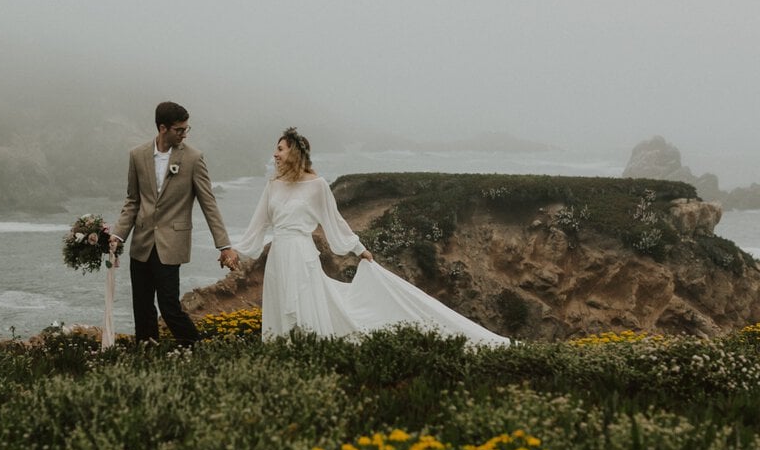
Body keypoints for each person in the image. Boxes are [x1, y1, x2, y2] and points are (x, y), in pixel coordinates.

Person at [231, 127, 510, 347]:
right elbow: (257, 226)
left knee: (305, 311)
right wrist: (232, 251)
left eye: (279, 149)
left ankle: (311, 355)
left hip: (302, 257)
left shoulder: (317, 186)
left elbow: (335, 222)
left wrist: (358, 248)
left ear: (294, 152)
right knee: (281, 311)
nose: (274, 155)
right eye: (275, 150)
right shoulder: (273, 186)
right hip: (279, 257)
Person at [112, 101, 238, 346]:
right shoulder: (137, 155)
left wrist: (224, 245)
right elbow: (132, 201)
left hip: (171, 244)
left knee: (169, 306)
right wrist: (118, 236)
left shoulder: (193, 158)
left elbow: (208, 203)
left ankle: (196, 349)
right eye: (179, 130)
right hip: (141, 243)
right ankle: (148, 355)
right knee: (142, 306)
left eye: (186, 129)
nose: (184, 134)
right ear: (162, 128)